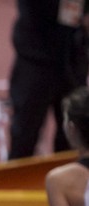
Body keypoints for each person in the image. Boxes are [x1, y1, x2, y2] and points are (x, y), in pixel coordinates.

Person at [7, 0, 89, 159]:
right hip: (35, 59)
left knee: (75, 136)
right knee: (24, 135)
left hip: (73, 58)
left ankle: (72, 180)